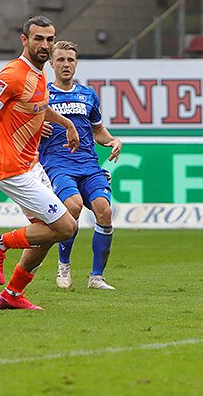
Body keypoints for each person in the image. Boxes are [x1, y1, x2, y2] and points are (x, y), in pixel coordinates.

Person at [0, 15, 81, 311]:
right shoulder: (14, 74)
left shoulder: (39, 73)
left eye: (50, 39)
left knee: (46, 235)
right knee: (67, 227)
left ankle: (12, 294)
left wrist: (67, 123)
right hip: (12, 169)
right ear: (24, 40)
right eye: (39, 38)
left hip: (30, 165)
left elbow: (38, 106)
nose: (45, 45)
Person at [38, 41, 122, 291]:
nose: (66, 64)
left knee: (104, 211)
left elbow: (98, 131)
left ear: (76, 64)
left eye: (70, 60)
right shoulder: (42, 95)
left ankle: (97, 277)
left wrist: (113, 140)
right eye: (61, 60)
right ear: (51, 64)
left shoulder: (88, 95)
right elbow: (21, 125)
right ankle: (64, 265)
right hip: (58, 164)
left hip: (88, 164)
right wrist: (36, 127)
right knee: (72, 206)